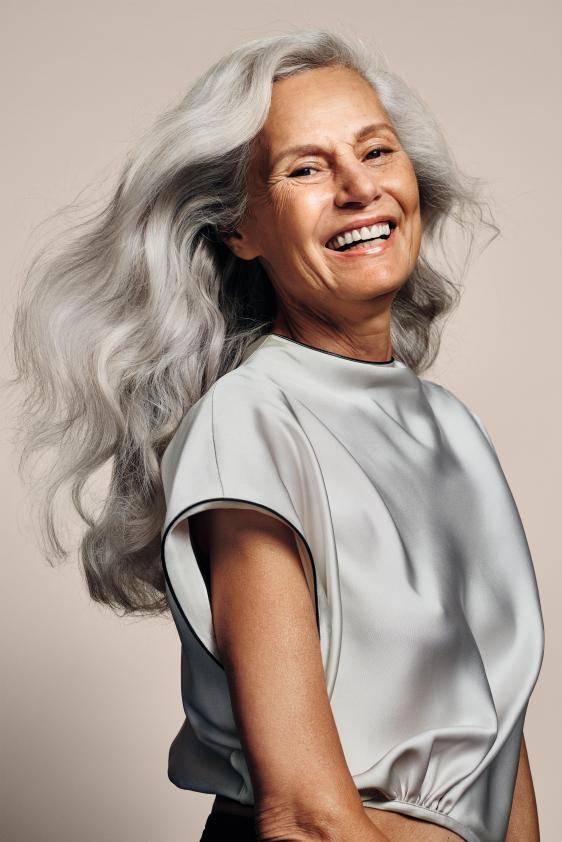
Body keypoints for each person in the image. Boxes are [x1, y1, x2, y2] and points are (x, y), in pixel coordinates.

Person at [10, 29, 544, 842]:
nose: (359, 188)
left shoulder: (451, 429)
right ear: (240, 229)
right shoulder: (251, 422)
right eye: (306, 169)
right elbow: (304, 816)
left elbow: (494, 746)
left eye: (376, 151)